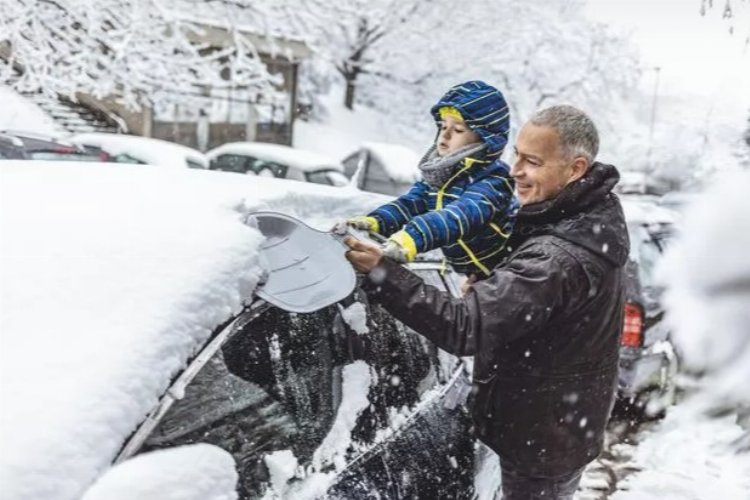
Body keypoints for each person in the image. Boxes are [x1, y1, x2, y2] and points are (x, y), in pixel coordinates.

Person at [344, 105, 630, 500]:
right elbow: (550, 301)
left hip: (539, 445)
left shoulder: (557, 257)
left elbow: (464, 328)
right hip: (559, 429)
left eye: (532, 161)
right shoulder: (590, 217)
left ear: (576, 169)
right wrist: (500, 278)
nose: (515, 170)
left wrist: (382, 272)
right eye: (517, 154)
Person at [345, 80, 518, 279]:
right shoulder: (440, 175)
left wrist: (413, 237)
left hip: (505, 272)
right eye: (443, 126)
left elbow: (460, 215)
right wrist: (376, 221)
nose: (444, 135)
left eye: (458, 130)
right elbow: (410, 204)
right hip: (468, 274)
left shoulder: (494, 180)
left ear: (486, 139)